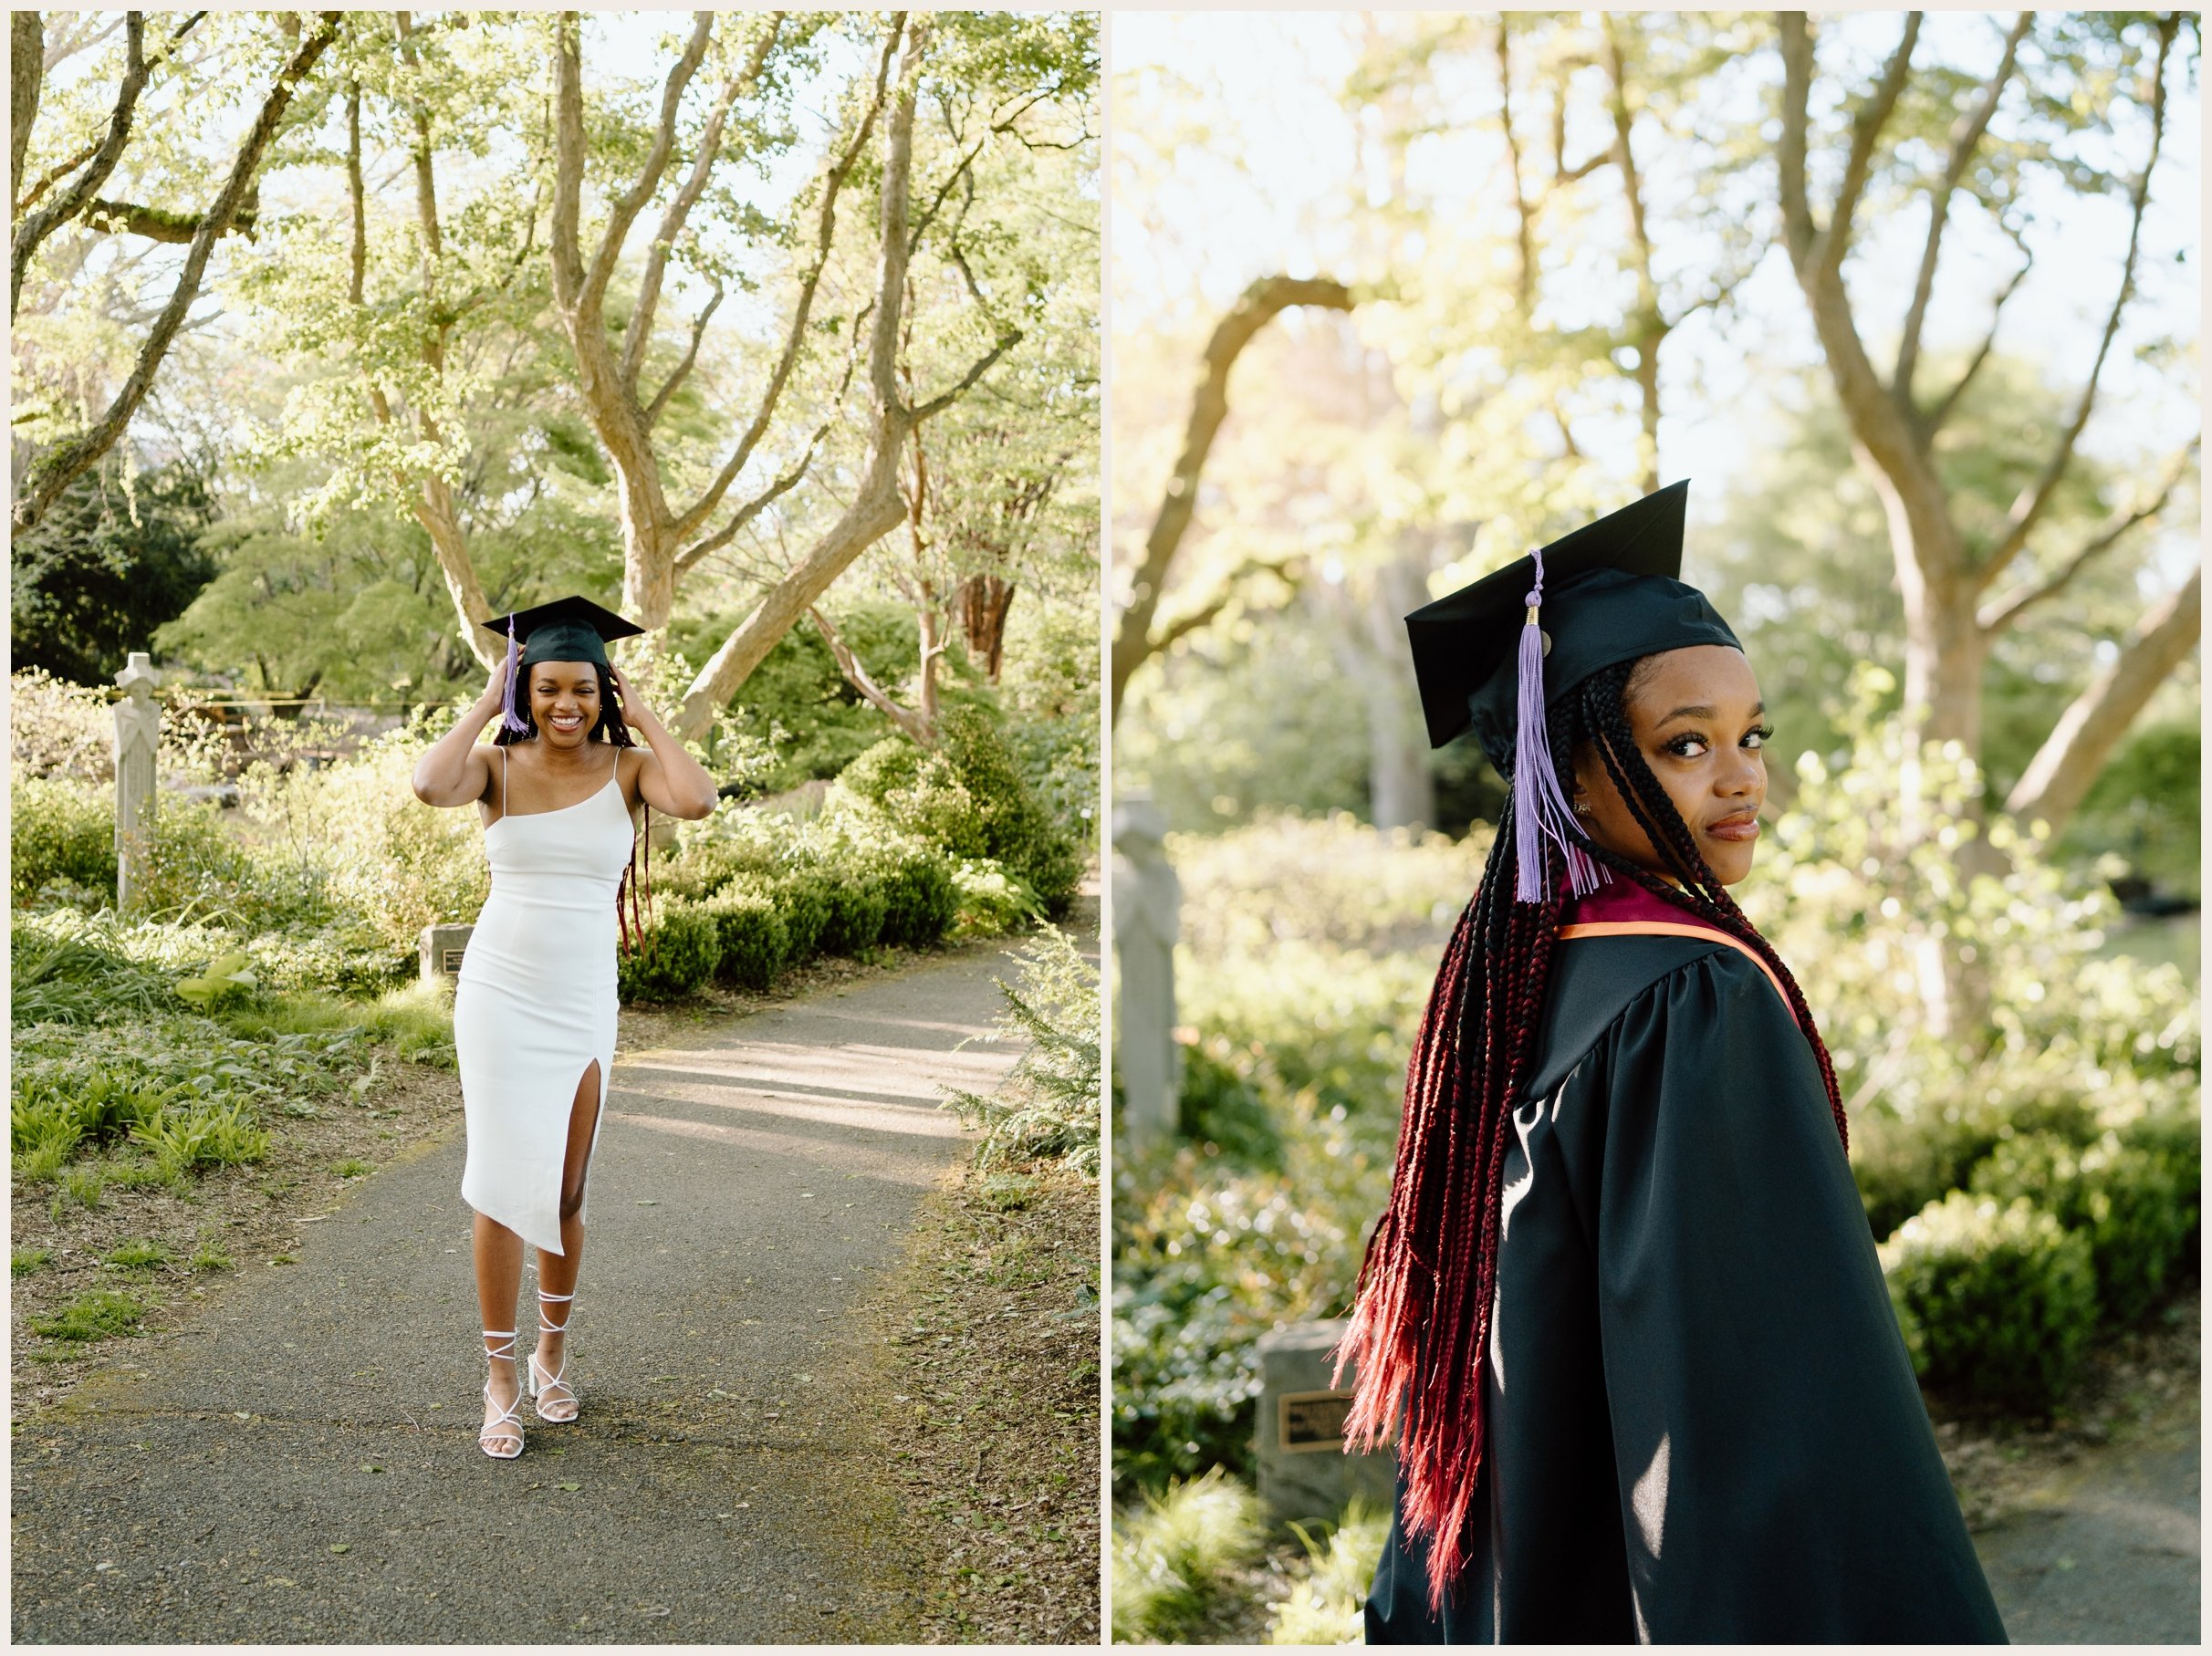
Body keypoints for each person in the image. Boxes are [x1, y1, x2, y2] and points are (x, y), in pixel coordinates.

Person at [1341, 484, 2007, 1641]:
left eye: (1751, 736)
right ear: (1571, 774)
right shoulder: (1696, 997)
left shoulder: (1524, 978)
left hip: (1535, 1558)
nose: (1741, 776)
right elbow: (1761, 1408)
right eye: (1684, 744)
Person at [410, 595, 719, 1459]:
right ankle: (499, 1375)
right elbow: (430, 784)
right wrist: (486, 695)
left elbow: (696, 798)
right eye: (546, 688)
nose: (565, 705)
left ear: (602, 689)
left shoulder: (627, 771)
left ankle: (553, 1351)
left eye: (582, 688)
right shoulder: (494, 767)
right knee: (501, 1180)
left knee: (566, 1188)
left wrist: (642, 709)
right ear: (526, 688)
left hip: (583, 997)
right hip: (501, 994)